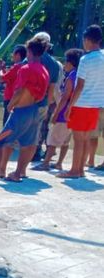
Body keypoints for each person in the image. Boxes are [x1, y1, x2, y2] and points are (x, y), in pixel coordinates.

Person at [0, 36, 49, 184]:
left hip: (21, 111)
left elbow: (19, 90)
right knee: (27, 144)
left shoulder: (26, 69)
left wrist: (11, 105)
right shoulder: (44, 70)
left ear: (29, 51)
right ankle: (17, 173)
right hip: (34, 110)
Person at [57, 25, 104, 178]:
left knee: (78, 140)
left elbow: (80, 86)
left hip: (82, 103)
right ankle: (81, 170)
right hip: (96, 105)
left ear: (88, 40)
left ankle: (74, 170)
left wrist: (70, 105)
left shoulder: (85, 59)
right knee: (85, 139)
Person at [33, 49, 83, 171]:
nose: (64, 65)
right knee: (66, 140)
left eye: (66, 62)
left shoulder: (72, 76)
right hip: (74, 113)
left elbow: (65, 97)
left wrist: (56, 113)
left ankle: (45, 163)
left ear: (71, 63)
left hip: (63, 113)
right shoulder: (81, 75)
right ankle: (59, 163)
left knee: (52, 139)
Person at [31, 32, 61, 162]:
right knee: (42, 126)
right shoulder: (55, 64)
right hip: (46, 100)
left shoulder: (32, 59)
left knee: (32, 127)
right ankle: (39, 151)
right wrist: (49, 103)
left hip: (31, 99)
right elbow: (54, 86)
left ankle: (32, 151)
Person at [0, 45, 27, 126]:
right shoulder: (23, 67)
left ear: (18, 55)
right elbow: (8, 78)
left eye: (13, 53)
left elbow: (2, 78)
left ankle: (5, 137)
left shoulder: (17, 67)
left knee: (7, 122)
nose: (12, 55)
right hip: (18, 98)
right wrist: (4, 69)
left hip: (10, 97)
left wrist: (0, 69)